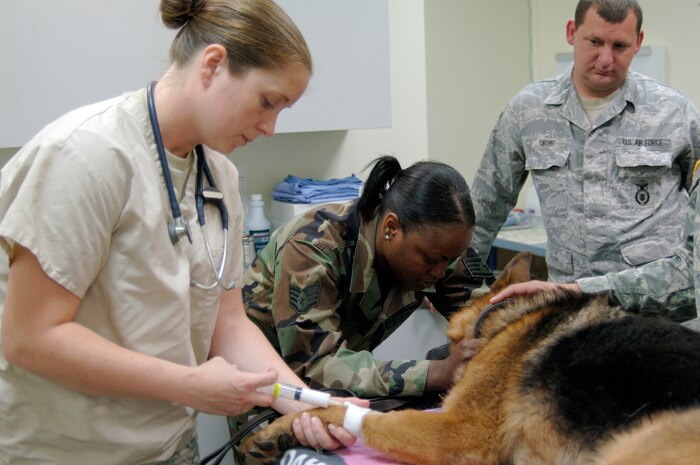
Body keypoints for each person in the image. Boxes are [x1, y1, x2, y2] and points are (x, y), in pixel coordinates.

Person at [0, 1, 365, 463]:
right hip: (66, 451)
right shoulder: (85, 156)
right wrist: (189, 385)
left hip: (169, 447)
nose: (271, 128)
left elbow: (227, 324)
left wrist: (308, 404)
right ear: (213, 64)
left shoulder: (220, 176)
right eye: (267, 101)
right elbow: (31, 338)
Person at [470, 0, 700, 283]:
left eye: (619, 46)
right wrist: (459, 277)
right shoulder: (529, 110)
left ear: (638, 42)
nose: (605, 59)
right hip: (571, 302)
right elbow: (487, 200)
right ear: (571, 32)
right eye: (594, 41)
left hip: (652, 303)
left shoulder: (672, 111)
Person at [241, 156, 493, 402]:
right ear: (391, 228)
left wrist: (518, 312)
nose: (439, 273)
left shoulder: (436, 247)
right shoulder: (312, 249)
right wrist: (435, 373)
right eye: (430, 261)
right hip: (267, 380)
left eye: (447, 261)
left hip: (339, 384)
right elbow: (315, 366)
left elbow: (488, 312)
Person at [490, 167, 700, 326]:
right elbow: (689, 275)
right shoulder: (525, 112)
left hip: (654, 330)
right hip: (579, 321)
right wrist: (573, 291)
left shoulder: (678, 116)